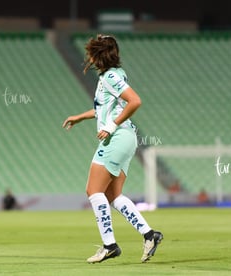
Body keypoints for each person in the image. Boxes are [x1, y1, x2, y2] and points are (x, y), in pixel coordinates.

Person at [62, 34, 163, 263]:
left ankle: (110, 245)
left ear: (98, 55)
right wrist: (80, 117)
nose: (88, 56)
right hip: (126, 137)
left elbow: (135, 101)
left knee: (93, 191)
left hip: (117, 137)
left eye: (91, 52)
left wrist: (110, 126)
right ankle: (150, 234)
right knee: (113, 195)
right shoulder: (114, 76)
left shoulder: (110, 76)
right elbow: (106, 109)